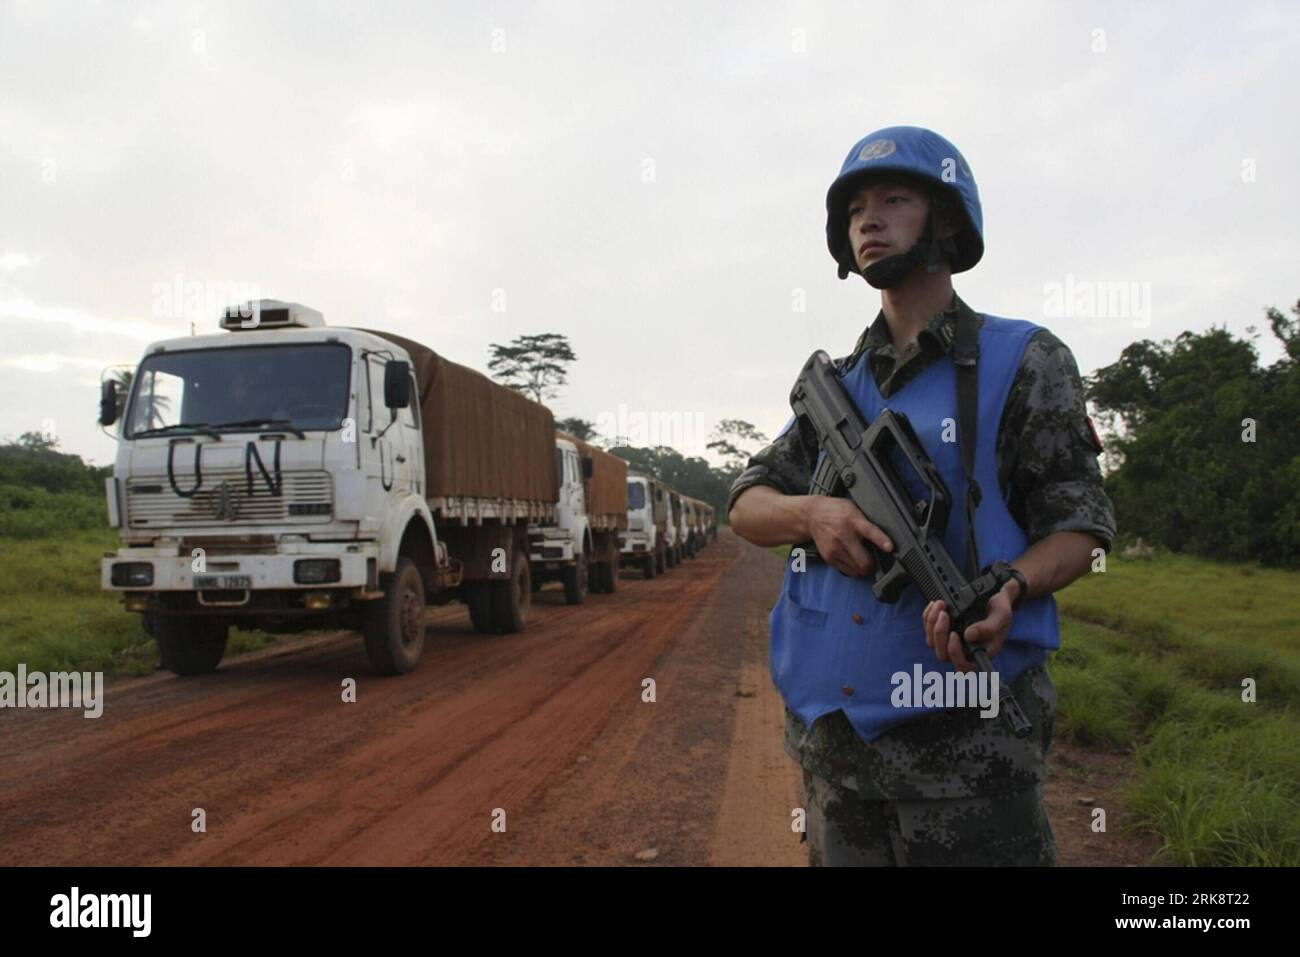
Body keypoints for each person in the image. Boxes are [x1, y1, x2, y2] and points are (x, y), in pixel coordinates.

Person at [728, 126, 1116, 866]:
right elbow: (746, 502)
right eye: (855, 211)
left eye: (894, 200)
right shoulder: (838, 387)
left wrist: (1011, 585)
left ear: (945, 221)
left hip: (968, 759)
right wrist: (812, 512)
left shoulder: (1025, 359)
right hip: (836, 752)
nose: (868, 220)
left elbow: (1082, 524)